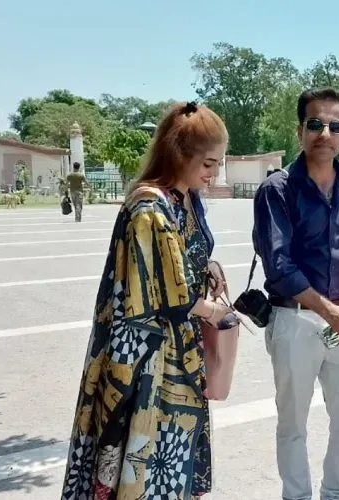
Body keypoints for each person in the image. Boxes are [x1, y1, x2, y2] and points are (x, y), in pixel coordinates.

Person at [61, 102, 231, 500]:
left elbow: (178, 261)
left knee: (167, 463)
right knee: (144, 463)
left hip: (173, 353)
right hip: (146, 361)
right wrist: (216, 313)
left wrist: (209, 265)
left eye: (218, 164)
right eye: (208, 164)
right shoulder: (150, 206)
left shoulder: (181, 198)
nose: (213, 175)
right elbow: (173, 298)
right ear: (179, 155)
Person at [252, 87, 339, 500]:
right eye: (315, 123)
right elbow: (279, 265)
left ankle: (335, 495)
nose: (324, 133)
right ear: (300, 131)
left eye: (335, 125)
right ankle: (297, 496)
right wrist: (331, 311)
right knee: (292, 422)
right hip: (296, 320)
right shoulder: (277, 190)